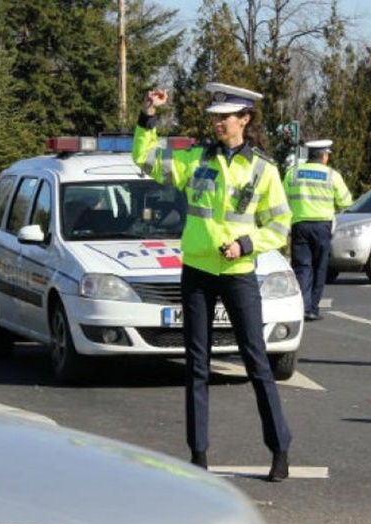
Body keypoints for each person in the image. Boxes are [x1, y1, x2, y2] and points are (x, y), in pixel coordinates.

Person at [132, 82, 294, 482]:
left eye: (226, 117)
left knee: (257, 363)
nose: (218, 123)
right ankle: (198, 454)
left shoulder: (263, 168)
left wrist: (246, 243)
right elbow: (146, 160)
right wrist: (148, 115)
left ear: (245, 120)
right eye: (215, 117)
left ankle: (279, 450)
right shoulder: (197, 159)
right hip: (199, 272)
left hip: (239, 275)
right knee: (196, 366)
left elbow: (280, 225)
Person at [284, 139, 352, 321]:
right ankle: (313, 309)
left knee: (302, 267)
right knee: (319, 267)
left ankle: (301, 307)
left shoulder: (292, 174)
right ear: (323, 156)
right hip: (322, 226)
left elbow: (283, 200)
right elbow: (346, 201)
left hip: (299, 225)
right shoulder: (332, 175)